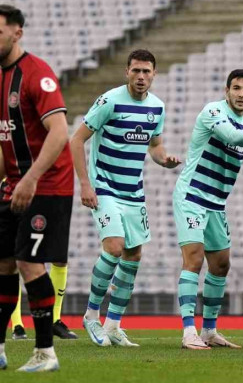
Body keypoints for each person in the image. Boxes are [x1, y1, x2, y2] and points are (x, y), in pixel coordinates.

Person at [0, 4, 73, 372]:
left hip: (47, 186)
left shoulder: (38, 76)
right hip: (17, 184)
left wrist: (33, 178)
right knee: (1, 262)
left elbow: (60, 132)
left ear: (17, 33)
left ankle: (45, 353)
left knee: (28, 262)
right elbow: (9, 139)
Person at [70, 50, 180, 347]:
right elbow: (76, 139)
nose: (141, 77)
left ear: (154, 74)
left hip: (134, 191)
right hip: (104, 187)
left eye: (146, 71)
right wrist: (84, 184)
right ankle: (91, 315)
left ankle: (114, 324)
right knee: (115, 247)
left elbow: (155, 146)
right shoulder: (109, 101)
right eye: (136, 71)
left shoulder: (157, 107)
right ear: (126, 72)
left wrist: (164, 159)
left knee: (134, 255)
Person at [173, 69, 243, 350]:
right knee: (194, 259)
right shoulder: (213, 111)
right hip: (192, 195)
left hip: (217, 203)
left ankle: (209, 331)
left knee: (221, 264)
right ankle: (189, 332)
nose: (241, 94)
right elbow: (232, 136)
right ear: (227, 90)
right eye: (236, 88)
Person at [0, 117, 78, 341]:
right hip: (11, 195)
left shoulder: (45, 116)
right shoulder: (0, 119)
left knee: (57, 259)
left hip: (44, 193)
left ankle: (55, 320)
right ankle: (17, 325)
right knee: (16, 260)